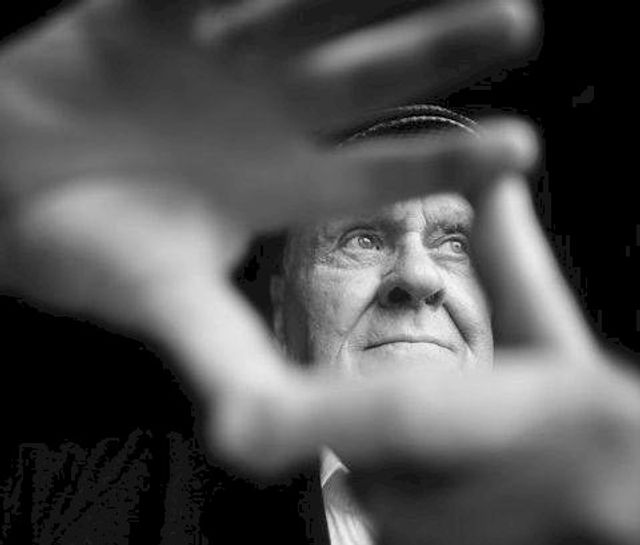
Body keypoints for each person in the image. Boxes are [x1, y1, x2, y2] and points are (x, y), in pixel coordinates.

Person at [0, 1, 639, 544]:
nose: (417, 276)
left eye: (455, 243)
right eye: (361, 238)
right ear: (284, 315)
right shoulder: (91, 507)